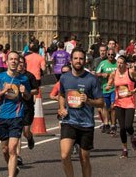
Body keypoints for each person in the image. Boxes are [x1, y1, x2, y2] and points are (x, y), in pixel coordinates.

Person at [57, 48, 104, 177]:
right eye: (76, 58)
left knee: (84, 158)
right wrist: (61, 108)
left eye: (81, 59)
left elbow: (101, 102)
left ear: (85, 61)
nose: (78, 61)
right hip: (69, 121)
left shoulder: (92, 79)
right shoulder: (64, 78)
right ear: (71, 60)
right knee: (65, 154)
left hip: (86, 123)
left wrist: (89, 100)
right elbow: (61, 95)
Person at [0, 50, 32, 177]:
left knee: (13, 149)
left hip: (17, 116)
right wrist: (3, 92)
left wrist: (25, 93)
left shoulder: (23, 78)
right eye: (11, 59)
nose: (13, 61)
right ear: (6, 62)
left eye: (16, 59)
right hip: (2, 117)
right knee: (5, 149)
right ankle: (13, 168)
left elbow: (29, 97)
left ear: (19, 62)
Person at [105, 54, 136, 158]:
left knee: (128, 126)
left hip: (130, 102)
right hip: (119, 102)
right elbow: (110, 83)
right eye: (118, 63)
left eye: (122, 63)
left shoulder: (130, 72)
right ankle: (125, 149)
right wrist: (108, 87)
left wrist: (133, 91)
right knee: (122, 128)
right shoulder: (114, 73)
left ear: (125, 64)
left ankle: (133, 137)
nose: (120, 65)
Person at [95, 48, 117, 135]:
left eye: (112, 55)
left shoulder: (117, 63)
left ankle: (113, 125)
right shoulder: (103, 63)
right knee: (105, 107)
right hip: (104, 88)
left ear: (114, 55)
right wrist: (102, 74)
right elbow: (96, 74)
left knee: (113, 106)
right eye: (109, 54)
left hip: (115, 88)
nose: (110, 56)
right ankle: (106, 123)